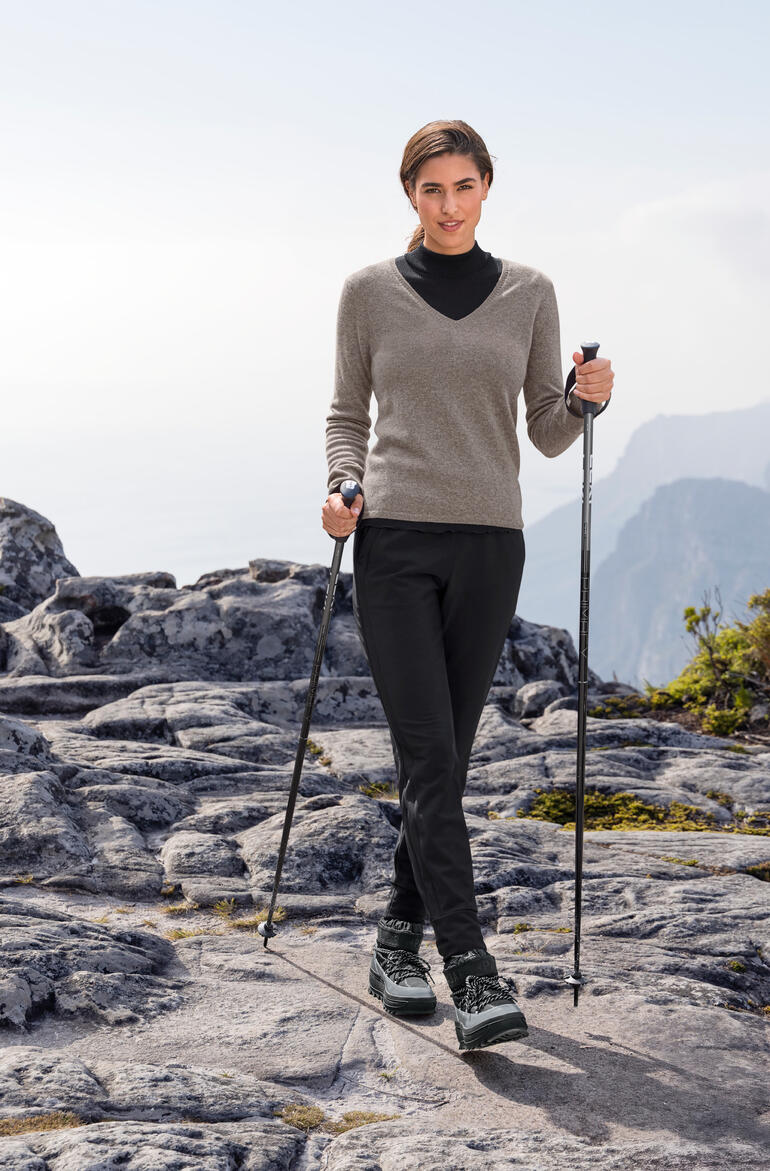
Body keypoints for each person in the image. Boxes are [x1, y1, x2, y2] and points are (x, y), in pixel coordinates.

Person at [321, 119, 614, 1051]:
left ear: (489, 187)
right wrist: (340, 484)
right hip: (396, 544)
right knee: (431, 756)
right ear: (412, 196)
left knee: (442, 756)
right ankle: (470, 963)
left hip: (491, 547)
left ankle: (395, 941)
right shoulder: (367, 292)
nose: (448, 206)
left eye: (464, 187)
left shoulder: (531, 291)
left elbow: (546, 428)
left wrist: (585, 399)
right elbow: (345, 415)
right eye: (430, 190)